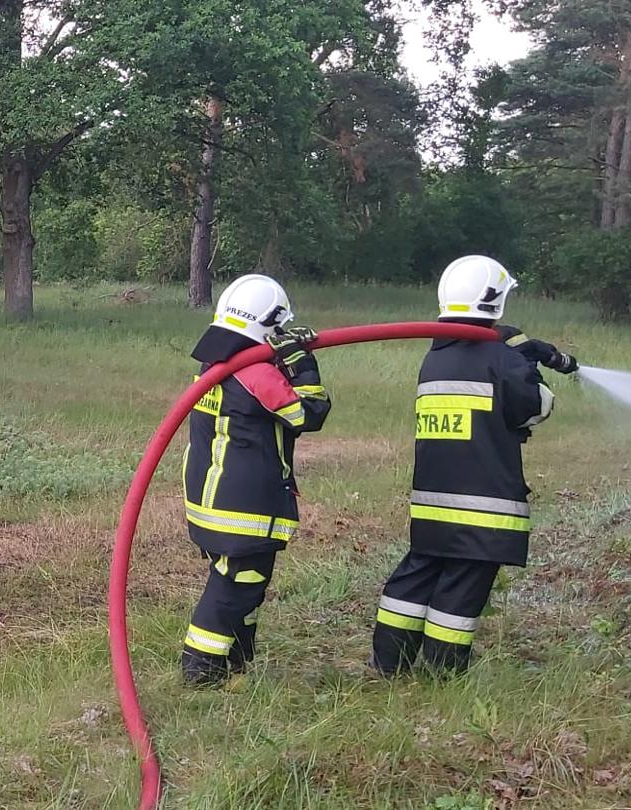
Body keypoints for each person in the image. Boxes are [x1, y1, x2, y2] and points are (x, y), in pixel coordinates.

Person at [371, 255, 556, 676]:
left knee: (416, 576)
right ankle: (442, 671)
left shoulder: (435, 358)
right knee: (462, 588)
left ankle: (389, 662)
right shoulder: (503, 359)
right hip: (484, 505)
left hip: (432, 502)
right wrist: (525, 363)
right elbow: (536, 408)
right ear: (495, 302)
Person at [179, 275, 332, 686]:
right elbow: (309, 414)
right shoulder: (256, 374)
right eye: (279, 329)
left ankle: (237, 661)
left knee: (244, 584)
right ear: (269, 323)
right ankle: (200, 669)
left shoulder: (213, 367)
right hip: (242, 508)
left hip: (210, 501)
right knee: (236, 585)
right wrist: (301, 362)